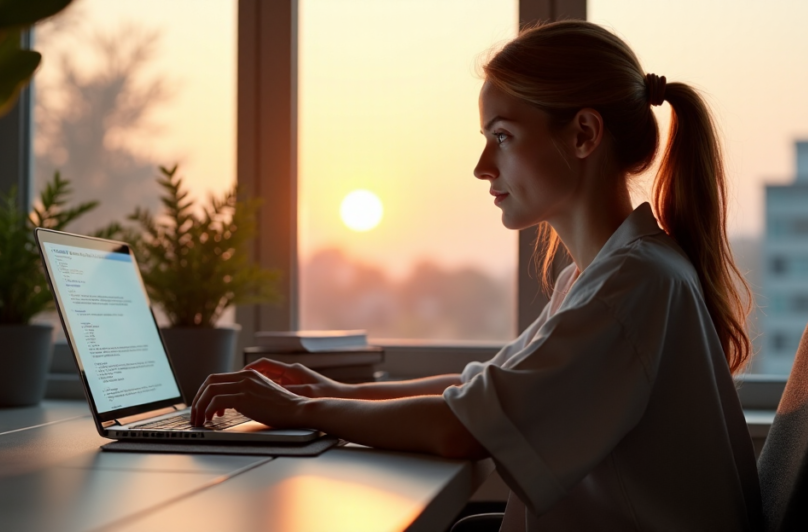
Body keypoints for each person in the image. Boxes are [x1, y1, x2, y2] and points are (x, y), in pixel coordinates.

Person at [190, 20, 763, 531]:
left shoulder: (631, 284)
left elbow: (462, 427)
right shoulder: (604, 275)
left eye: (503, 137)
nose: (482, 166)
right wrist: (330, 390)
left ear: (584, 135)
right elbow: (483, 391)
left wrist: (300, 410)